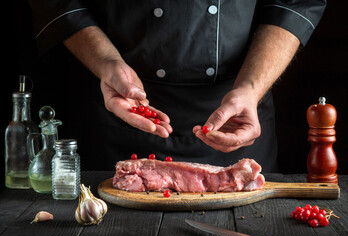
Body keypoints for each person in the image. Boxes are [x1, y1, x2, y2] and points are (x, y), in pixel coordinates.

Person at [28, 1, 326, 172]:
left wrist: (251, 87)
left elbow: (295, 1)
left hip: (237, 112)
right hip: (123, 111)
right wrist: (107, 62)